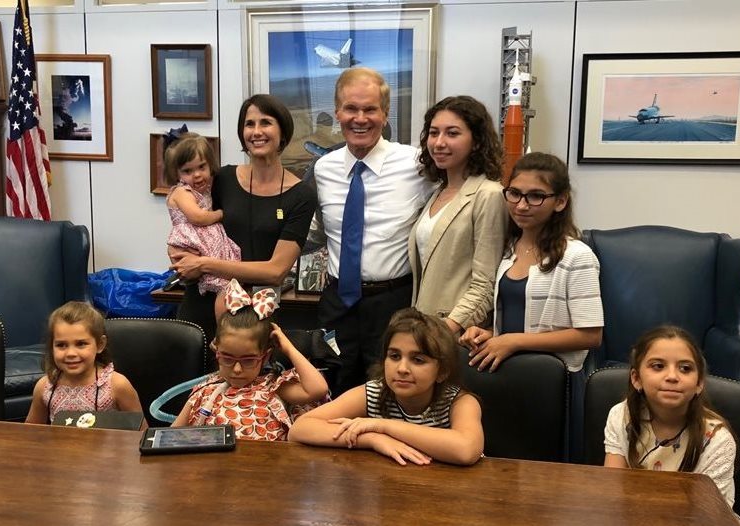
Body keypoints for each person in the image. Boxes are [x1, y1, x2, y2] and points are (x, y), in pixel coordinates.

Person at [458, 152, 603, 461]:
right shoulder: (510, 250)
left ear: (560, 201)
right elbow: (514, 318)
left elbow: (590, 334)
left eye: (536, 197)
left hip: (551, 386)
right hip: (506, 378)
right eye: (515, 194)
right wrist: (486, 334)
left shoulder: (577, 256)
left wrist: (514, 342)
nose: (522, 205)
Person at [311, 67, 436, 396]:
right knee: (332, 387)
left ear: (385, 113)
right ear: (338, 111)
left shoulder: (417, 165)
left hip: (393, 303)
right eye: (351, 108)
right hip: (338, 303)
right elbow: (313, 232)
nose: (360, 118)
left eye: (370, 109)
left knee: (390, 392)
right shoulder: (323, 169)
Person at [171, 94, 318, 341]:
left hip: (256, 314)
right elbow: (186, 221)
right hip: (200, 308)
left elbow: (275, 271)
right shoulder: (222, 179)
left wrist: (203, 264)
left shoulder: (301, 195)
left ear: (283, 131)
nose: (256, 131)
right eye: (249, 124)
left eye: (266, 122)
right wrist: (182, 257)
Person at [288, 308, 483, 465]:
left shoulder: (460, 402)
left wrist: (383, 425)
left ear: (442, 371)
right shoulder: (374, 392)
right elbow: (300, 429)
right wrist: (373, 439)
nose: (402, 368)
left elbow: (466, 450)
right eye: (395, 356)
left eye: (418, 360)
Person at [172, 280, 330, 440]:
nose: (237, 369)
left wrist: (288, 348)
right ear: (216, 351)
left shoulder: (274, 388)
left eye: (248, 360)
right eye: (227, 358)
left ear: (265, 356)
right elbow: (171, 436)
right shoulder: (206, 391)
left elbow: (317, 389)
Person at [603, 325, 738, 512]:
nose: (672, 376)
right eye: (658, 366)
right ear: (636, 379)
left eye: (685, 368)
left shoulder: (717, 440)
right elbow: (611, 491)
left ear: (699, 383)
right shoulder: (620, 416)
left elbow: (709, 516)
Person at [409, 95, 509, 334]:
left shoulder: (489, 194)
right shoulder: (437, 192)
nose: (439, 143)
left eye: (452, 133)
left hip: (457, 332)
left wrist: (448, 328)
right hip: (425, 327)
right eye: (434, 133)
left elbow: (485, 284)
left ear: (476, 141)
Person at [164, 131, 241, 320]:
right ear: (176, 174)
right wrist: (220, 214)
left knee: (226, 282)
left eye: (201, 167)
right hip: (193, 240)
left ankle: (225, 325)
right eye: (187, 171)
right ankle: (222, 327)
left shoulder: (207, 188)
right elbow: (197, 217)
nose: (197, 175)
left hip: (206, 240)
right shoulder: (182, 191)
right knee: (221, 282)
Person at [25, 301, 142, 425]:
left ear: (100, 344)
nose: (71, 353)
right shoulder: (44, 387)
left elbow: (142, 434)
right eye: (61, 345)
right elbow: (31, 433)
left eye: (81, 344)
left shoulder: (117, 385)